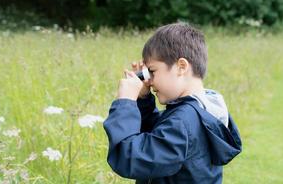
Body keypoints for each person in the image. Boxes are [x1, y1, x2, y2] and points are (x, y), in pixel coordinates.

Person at [103, 23, 242, 184]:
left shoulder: (183, 122)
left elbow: (129, 158)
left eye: (152, 71)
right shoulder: (201, 110)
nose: (149, 81)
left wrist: (125, 102)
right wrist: (143, 99)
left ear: (181, 67)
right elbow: (157, 135)